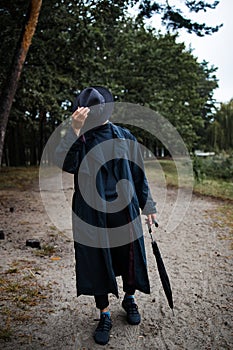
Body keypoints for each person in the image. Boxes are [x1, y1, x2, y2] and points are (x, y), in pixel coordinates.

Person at [54, 86, 157, 346]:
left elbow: (138, 174)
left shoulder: (125, 136)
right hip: (91, 214)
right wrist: (74, 131)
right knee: (96, 262)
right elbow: (65, 164)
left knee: (131, 256)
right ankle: (104, 313)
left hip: (125, 210)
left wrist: (149, 207)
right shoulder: (82, 139)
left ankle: (129, 299)